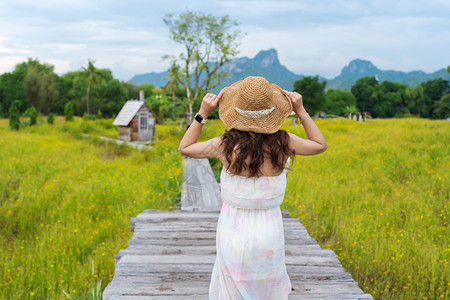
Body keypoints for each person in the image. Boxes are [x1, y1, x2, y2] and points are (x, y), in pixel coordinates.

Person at [178, 76, 327, 299]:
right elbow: (320, 145)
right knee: (267, 288)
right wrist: (301, 111)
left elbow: (185, 147)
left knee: (232, 287)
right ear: (274, 110)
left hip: (232, 229)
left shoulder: (224, 145)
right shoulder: (285, 143)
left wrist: (203, 114)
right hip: (269, 231)